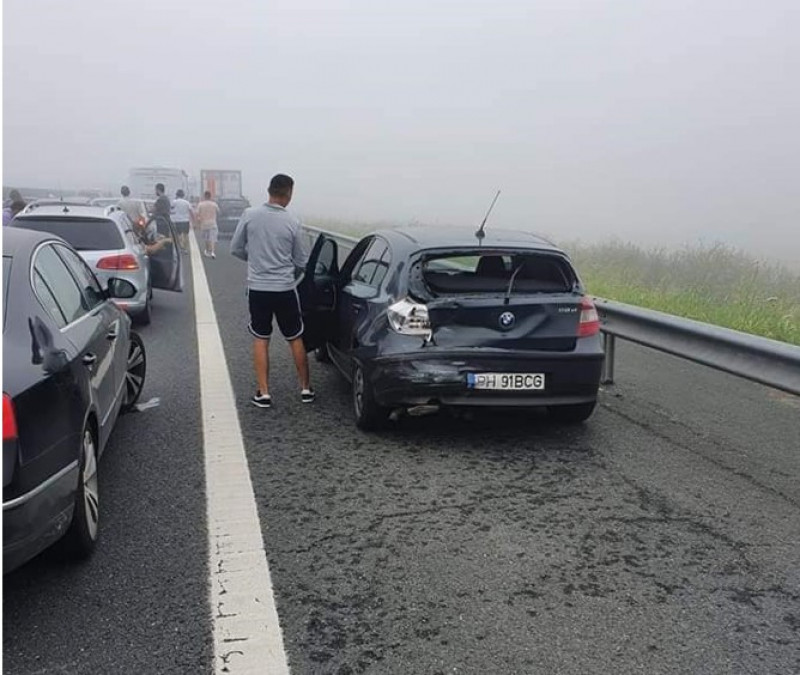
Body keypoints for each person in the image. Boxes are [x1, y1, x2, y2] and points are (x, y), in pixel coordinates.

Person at [230, 174, 314, 408]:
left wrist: (255, 259)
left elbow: (236, 248)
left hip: (258, 288)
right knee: (295, 337)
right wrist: (289, 272)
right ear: (288, 193)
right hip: (285, 288)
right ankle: (305, 389)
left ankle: (264, 393)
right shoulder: (293, 220)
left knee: (261, 337)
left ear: (269, 190)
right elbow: (301, 260)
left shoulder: (250, 215)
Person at [196, 191, 220, 258]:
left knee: (206, 238)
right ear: (210, 196)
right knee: (213, 238)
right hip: (213, 223)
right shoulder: (214, 204)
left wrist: (197, 223)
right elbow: (218, 211)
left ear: (204, 196)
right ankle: (212, 252)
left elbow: (197, 214)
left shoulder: (201, 204)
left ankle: (207, 251)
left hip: (204, 224)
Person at [171, 189, 195, 253]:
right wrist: (193, 220)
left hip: (177, 220)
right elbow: (191, 211)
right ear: (183, 195)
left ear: (177, 195)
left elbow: (170, 210)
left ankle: (180, 246)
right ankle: (185, 248)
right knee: (185, 235)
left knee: (178, 235)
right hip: (185, 220)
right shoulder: (187, 202)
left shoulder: (174, 202)